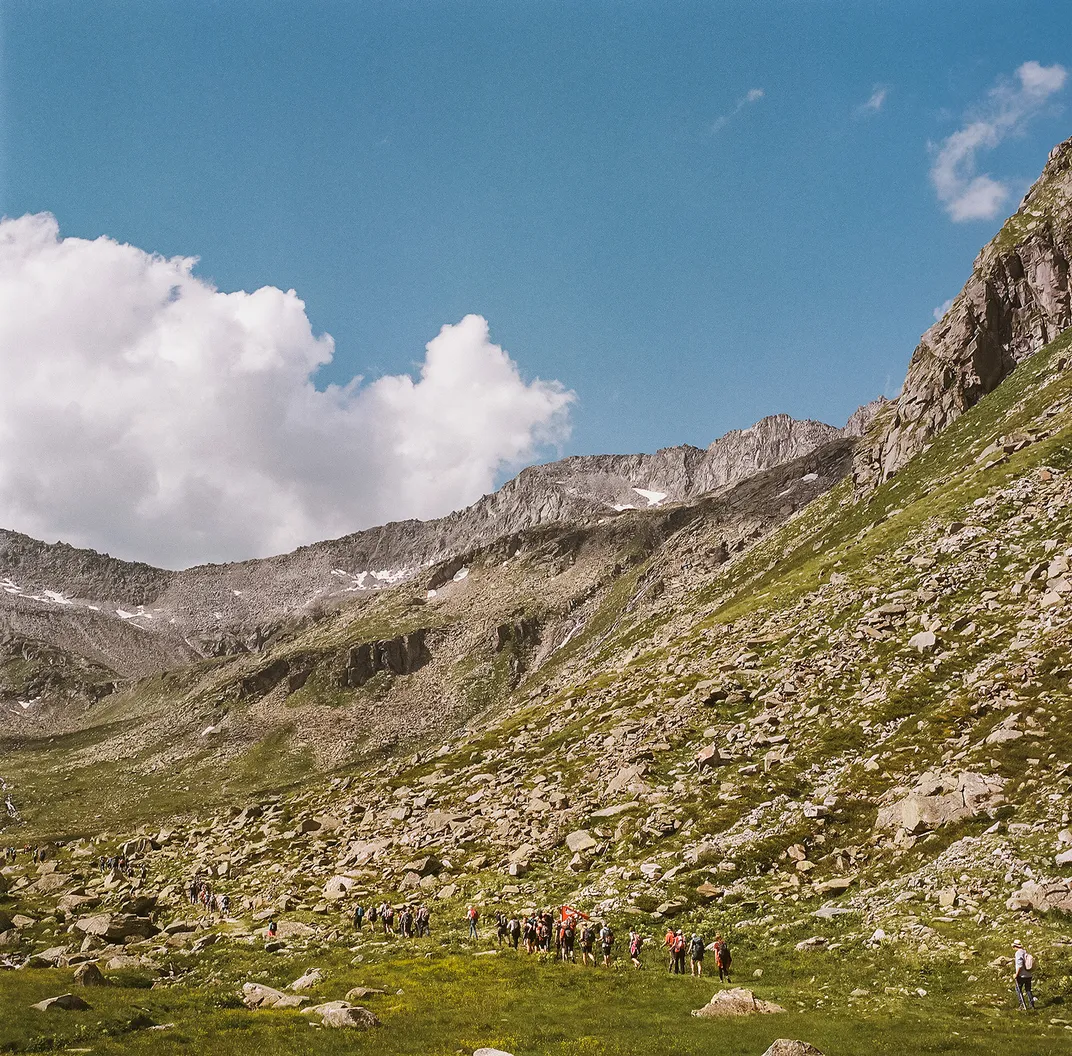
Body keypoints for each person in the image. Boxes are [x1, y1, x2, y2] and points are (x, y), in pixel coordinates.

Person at [1013, 940, 1036, 1010]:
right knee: (1028, 989)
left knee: (1018, 989)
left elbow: (1019, 965)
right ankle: (1032, 1005)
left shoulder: (1018, 953)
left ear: (1015, 946)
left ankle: (1022, 1005)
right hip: (1028, 974)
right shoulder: (1024, 951)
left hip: (1022, 975)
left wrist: (1016, 974)